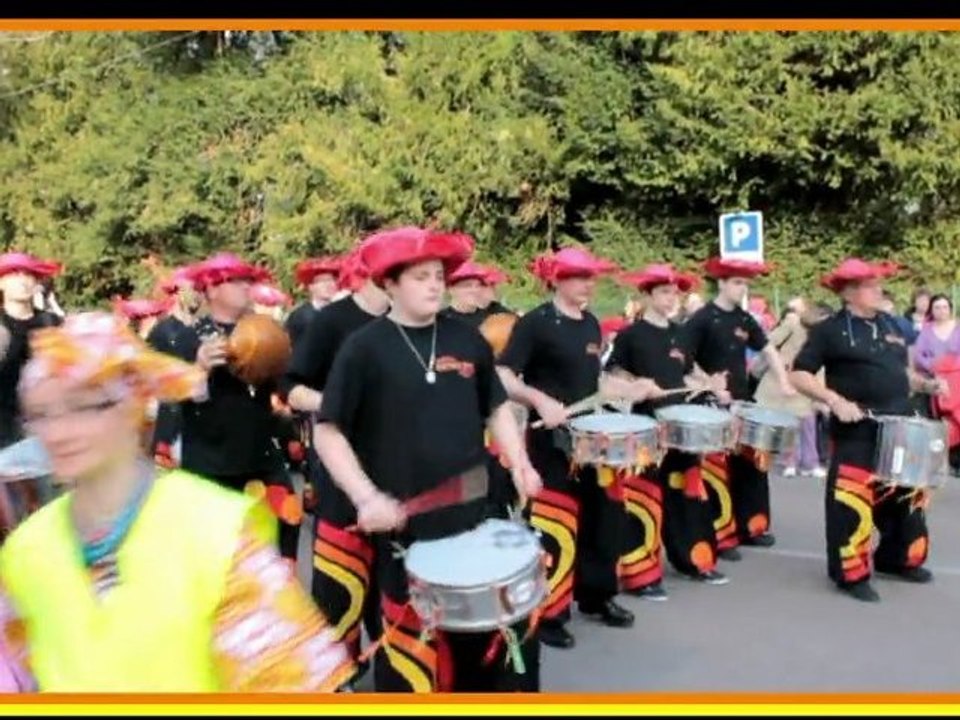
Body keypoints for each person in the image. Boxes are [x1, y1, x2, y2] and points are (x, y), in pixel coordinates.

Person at [0, 312, 352, 691]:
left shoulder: (214, 531)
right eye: (41, 414)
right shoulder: (27, 550)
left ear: (132, 407)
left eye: (85, 406)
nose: (58, 431)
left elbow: (292, 685)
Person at [313, 226, 542, 693]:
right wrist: (366, 497)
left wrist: (519, 461)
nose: (435, 284)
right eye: (420, 276)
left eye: (438, 275)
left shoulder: (468, 339)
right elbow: (328, 431)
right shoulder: (363, 349)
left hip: (477, 513)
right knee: (413, 658)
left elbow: (495, 407)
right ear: (389, 284)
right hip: (409, 532)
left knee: (492, 646)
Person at [496, 246, 634, 651]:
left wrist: (624, 389)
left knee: (602, 518)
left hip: (591, 439)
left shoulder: (592, 324)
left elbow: (594, 383)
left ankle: (596, 595)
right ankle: (551, 612)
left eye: (592, 277)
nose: (589, 284)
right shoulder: (535, 323)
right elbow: (503, 376)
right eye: (580, 277)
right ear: (558, 280)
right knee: (556, 527)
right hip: (550, 442)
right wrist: (538, 400)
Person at [790, 259, 946, 603]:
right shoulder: (829, 330)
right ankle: (851, 573)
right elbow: (798, 374)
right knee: (851, 501)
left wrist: (927, 385)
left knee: (905, 498)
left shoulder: (891, 323)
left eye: (878, 285)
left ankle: (899, 559)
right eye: (871, 286)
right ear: (849, 292)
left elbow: (900, 373)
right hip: (856, 429)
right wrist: (834, 400)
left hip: (899, 426)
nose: (879, 291)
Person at [282, 248, 390, 678]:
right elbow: (289, 384)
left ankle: (393, 674)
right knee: (340, 587)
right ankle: (337, 675)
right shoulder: (331, 321)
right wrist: (333, 404)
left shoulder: (415, 325)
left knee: (396, 593)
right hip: (341, 470)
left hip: (399, 475)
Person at [603, 264, 730, 597]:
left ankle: (695, 561)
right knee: (644, 496)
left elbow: (686, 373)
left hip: (681, 426)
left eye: (674, 292)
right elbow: (613, 371)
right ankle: (641, 576)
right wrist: (638, 384)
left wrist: (709, 384)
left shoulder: (680, 333)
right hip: (647, 425)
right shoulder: (632, 334)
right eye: (663, 292)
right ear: (646, 296)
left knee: (688, 494)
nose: (671, 298)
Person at [173, 253, 301, 563]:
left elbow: (282, 385)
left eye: (248, 280)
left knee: (287, 523)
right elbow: (178, 395)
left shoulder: (264, 329)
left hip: (260, 455)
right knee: (219, 555)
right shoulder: (189, 336)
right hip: (211, 465)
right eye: (236, 281)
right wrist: (200, 367)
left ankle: (280, 600)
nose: (246, 286)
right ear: (212, 290)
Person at [682, 257, 796, 561]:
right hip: (713, 405)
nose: (741, 288)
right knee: (719, 472)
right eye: (736, 282)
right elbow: (683, 359)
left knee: (753, 466)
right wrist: (708, 383)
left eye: (745, 283)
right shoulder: (703, 318)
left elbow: (768, 349)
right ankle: (721, 534)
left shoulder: (745, 319)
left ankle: (752, 526)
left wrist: (783, 381)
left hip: (743, 401)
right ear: (721, 283)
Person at [754, 301, 831, 479]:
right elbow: (768, 343)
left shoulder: (823, 335)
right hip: (783, 380)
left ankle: (809, 463)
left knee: (808, 423)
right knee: (791, 423)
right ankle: (791, 461)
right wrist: (781, 361)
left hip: (808, 380)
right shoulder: (793, 324)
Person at [0, 253, 64, 451]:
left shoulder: (53, 323)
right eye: (14, 275)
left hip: (47, 427)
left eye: (28, 275)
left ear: (37, 283)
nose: (22, 281)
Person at [146, 264, 201, 469]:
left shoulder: (205, 327)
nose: (196, 295)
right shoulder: (162, 331)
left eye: (199, 289)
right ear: (178, 293)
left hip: (202, 418)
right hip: (171, 417)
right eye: (191, 289)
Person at [286, 256, 343, 347]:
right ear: (310, 287)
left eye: (331, 280)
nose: (327, 285)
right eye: (322, 281)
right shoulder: (300, 317)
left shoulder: (343, 312)